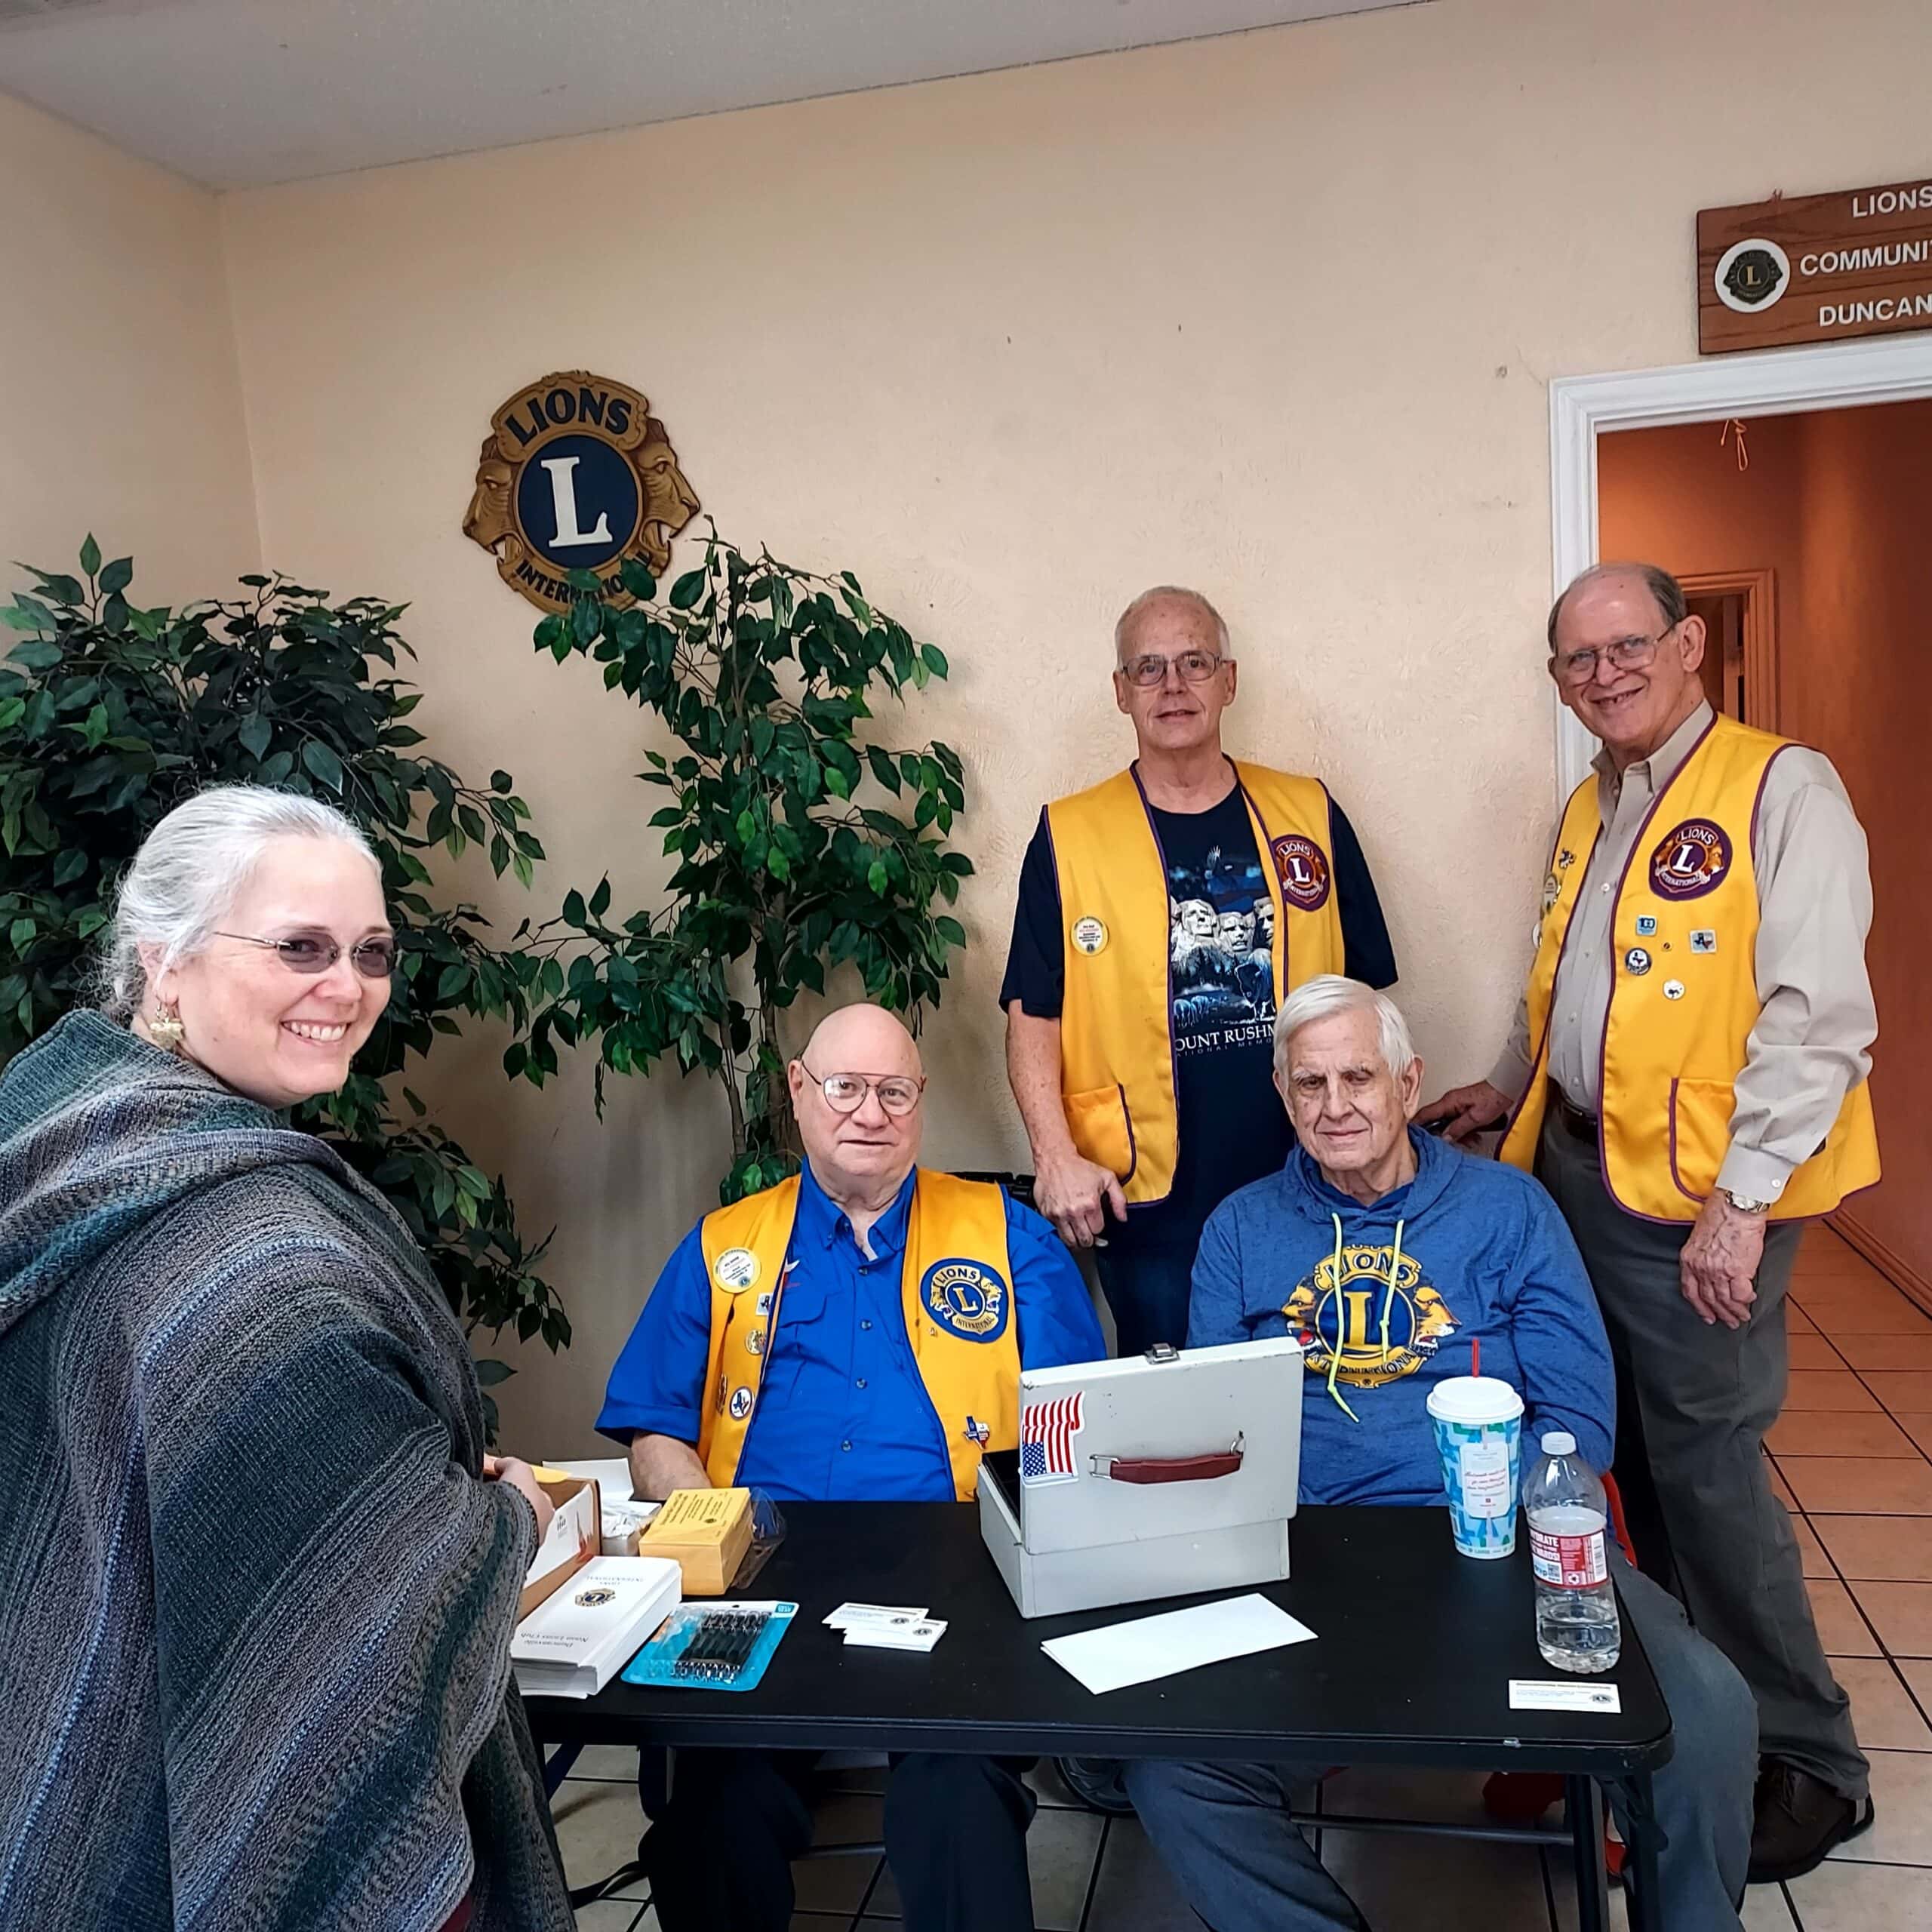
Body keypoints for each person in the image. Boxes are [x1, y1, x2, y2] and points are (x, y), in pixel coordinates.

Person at [0, 785, 571, 1932]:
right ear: (165, 965)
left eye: (371, 952)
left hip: (78, 1722)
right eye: (299, 947)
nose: (347, 988)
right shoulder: (263, 1258)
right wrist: (513, 1518)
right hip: (225, 1792)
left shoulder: (49, 1135)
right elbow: (370, 1596)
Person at [1124, 975, 1758, 1930]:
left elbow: (1578, 1418)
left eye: (1357, 1078)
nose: (1334, 1106)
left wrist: (1512, 1528)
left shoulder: (1510, 1210)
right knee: (1171, 1767)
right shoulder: (1240, 1231)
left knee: (1705, 1707)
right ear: (1282, 1094)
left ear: (1409, 1082)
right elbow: (1221, 1434)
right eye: (1308, 1084)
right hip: (1315, 1560)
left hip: (1504, 1540)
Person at [1420, 561, 1878, 1880]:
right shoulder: (1597, 801)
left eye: (1627, 646)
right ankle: (1681, 1714)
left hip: (1695, 1206)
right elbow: (1557, 975)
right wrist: (1505, 1089)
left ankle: (1811, 1762)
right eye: (1575, 659)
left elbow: (1816, 1019)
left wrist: (1742, 1209)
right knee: (1611, 1463)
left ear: (1689, 645)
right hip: (1577, 1173)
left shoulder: (1781, 786)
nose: (1603, 673)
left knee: (1711, 1480)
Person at [597, 1001, 1105, 1932]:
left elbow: (1074, 1425)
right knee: (711, 1797)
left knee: (957, 1793)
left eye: (894, 1091)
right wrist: (716, 1527)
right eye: (846, 1088)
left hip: (961, 1572)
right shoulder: (725, 1246)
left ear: (919, 1102)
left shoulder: (1007, 1235)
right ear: (799, 1090)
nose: (870, 1113)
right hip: (765, 1570)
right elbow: (653, 1433)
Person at [1002, 584, 1398, 1360]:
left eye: (1194, 662)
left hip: (1310, 1166)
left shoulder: (1307, 814)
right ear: (1120, 692)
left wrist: (1384, 1139)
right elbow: (1032, 1012)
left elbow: (1366, 996)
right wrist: (1054, 1157)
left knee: (1328, 1379)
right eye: (1148, 668)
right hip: (1147, 1191)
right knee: (1177, 1408)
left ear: (1229, 680)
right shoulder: (1068, 833)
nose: (1173, 686)